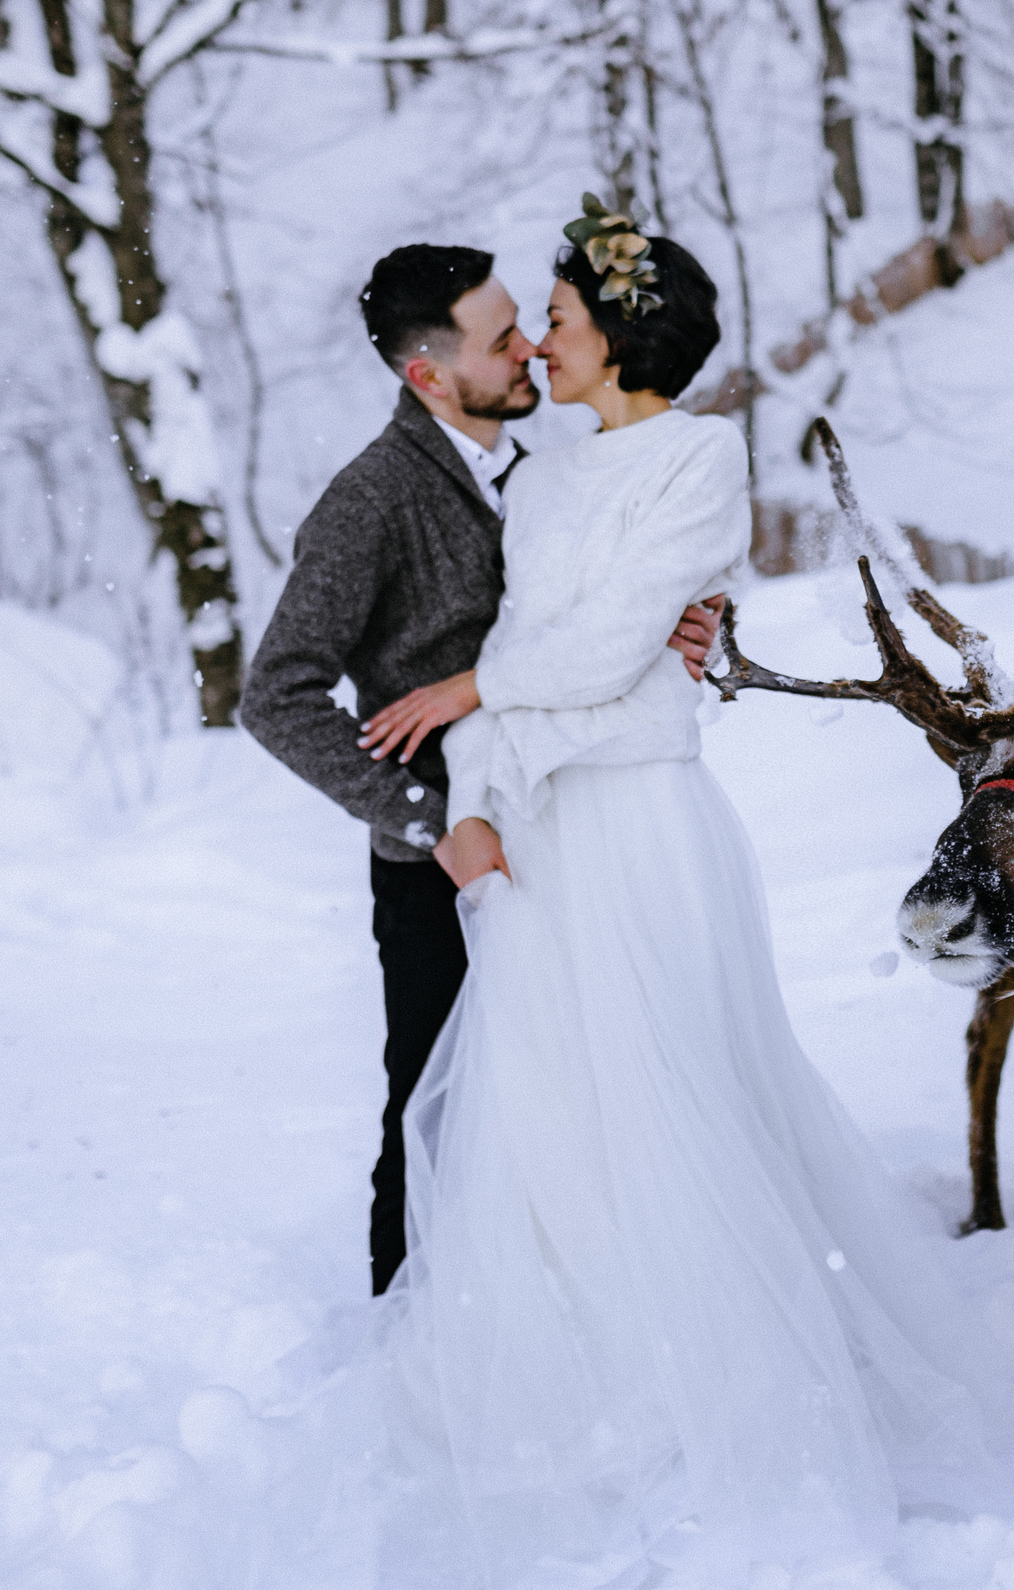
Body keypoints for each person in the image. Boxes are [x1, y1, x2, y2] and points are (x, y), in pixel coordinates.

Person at [352, 200, 991, 1585]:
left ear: (622, 339)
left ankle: (734, 1383)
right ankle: (598, 1379)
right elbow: (546, 639)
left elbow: (598, 643)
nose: (540, 339)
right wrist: (475, 798)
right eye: (530, 324)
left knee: (674, 1095)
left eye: (562, 319)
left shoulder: (699, 458)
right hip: (541, 830)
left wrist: (476, 692)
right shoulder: (542, 472)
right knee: (554, 1109)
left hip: (640, 823)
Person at [240, 243, 718, 1296]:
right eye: (501, 341)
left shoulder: (547, 469)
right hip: (440, 865)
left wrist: (687, 626)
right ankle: (405, 1341)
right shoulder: (369, 501)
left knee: (564, 1105)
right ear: (427, 374)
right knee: (439, 1110)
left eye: (526, 325)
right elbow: (273, 695)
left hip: (561, 830)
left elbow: (584, 620)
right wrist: (429, 821)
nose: (529, 351)